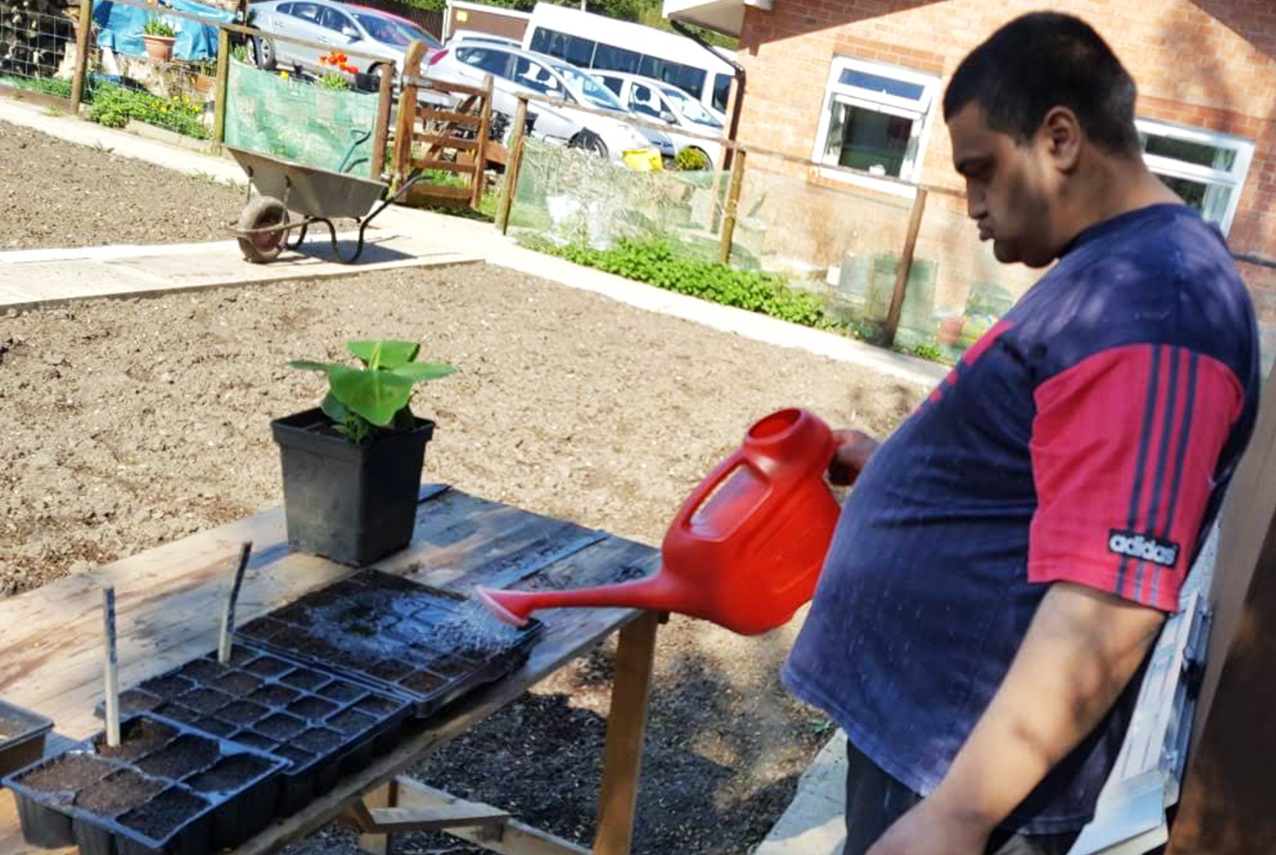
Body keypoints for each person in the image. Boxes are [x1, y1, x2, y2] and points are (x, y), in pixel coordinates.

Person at [783, 12, 1261, 855]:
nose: (969, 204)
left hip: (957, 773)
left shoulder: (1161, 301)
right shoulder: (1116, 269)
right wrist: (893, 463)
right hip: (924, 743)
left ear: (1061, 138)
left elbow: (1111, 596)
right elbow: (1049, 459)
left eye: (980, 170)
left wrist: (958, 816)